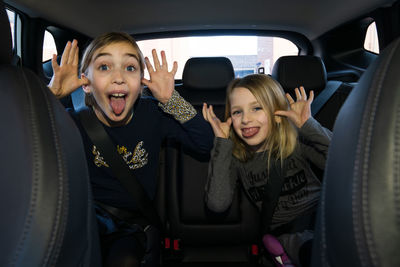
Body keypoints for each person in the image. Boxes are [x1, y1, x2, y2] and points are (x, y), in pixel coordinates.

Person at [48, 32, 213, 267]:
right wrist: (51, 96)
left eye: (130, 68)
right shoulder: (71, 122)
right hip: (81, 219)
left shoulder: (153, 114)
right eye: (104, 66)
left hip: (130, 226)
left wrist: (170, 99)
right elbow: (17, 150)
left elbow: (206, 143)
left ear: (141, 83)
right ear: (85, 82)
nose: (118, 78)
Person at [202, 74, 332, 267]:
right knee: (312, 250)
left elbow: (348, 162)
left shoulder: (297, 142)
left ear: (277, 115)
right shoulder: (237, 157)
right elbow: (217, 204)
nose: (246, 119)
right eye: (237, 112)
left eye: (256, 108)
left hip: (324, 219)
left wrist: (307, 125)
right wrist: (222, 143)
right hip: (287, 234)